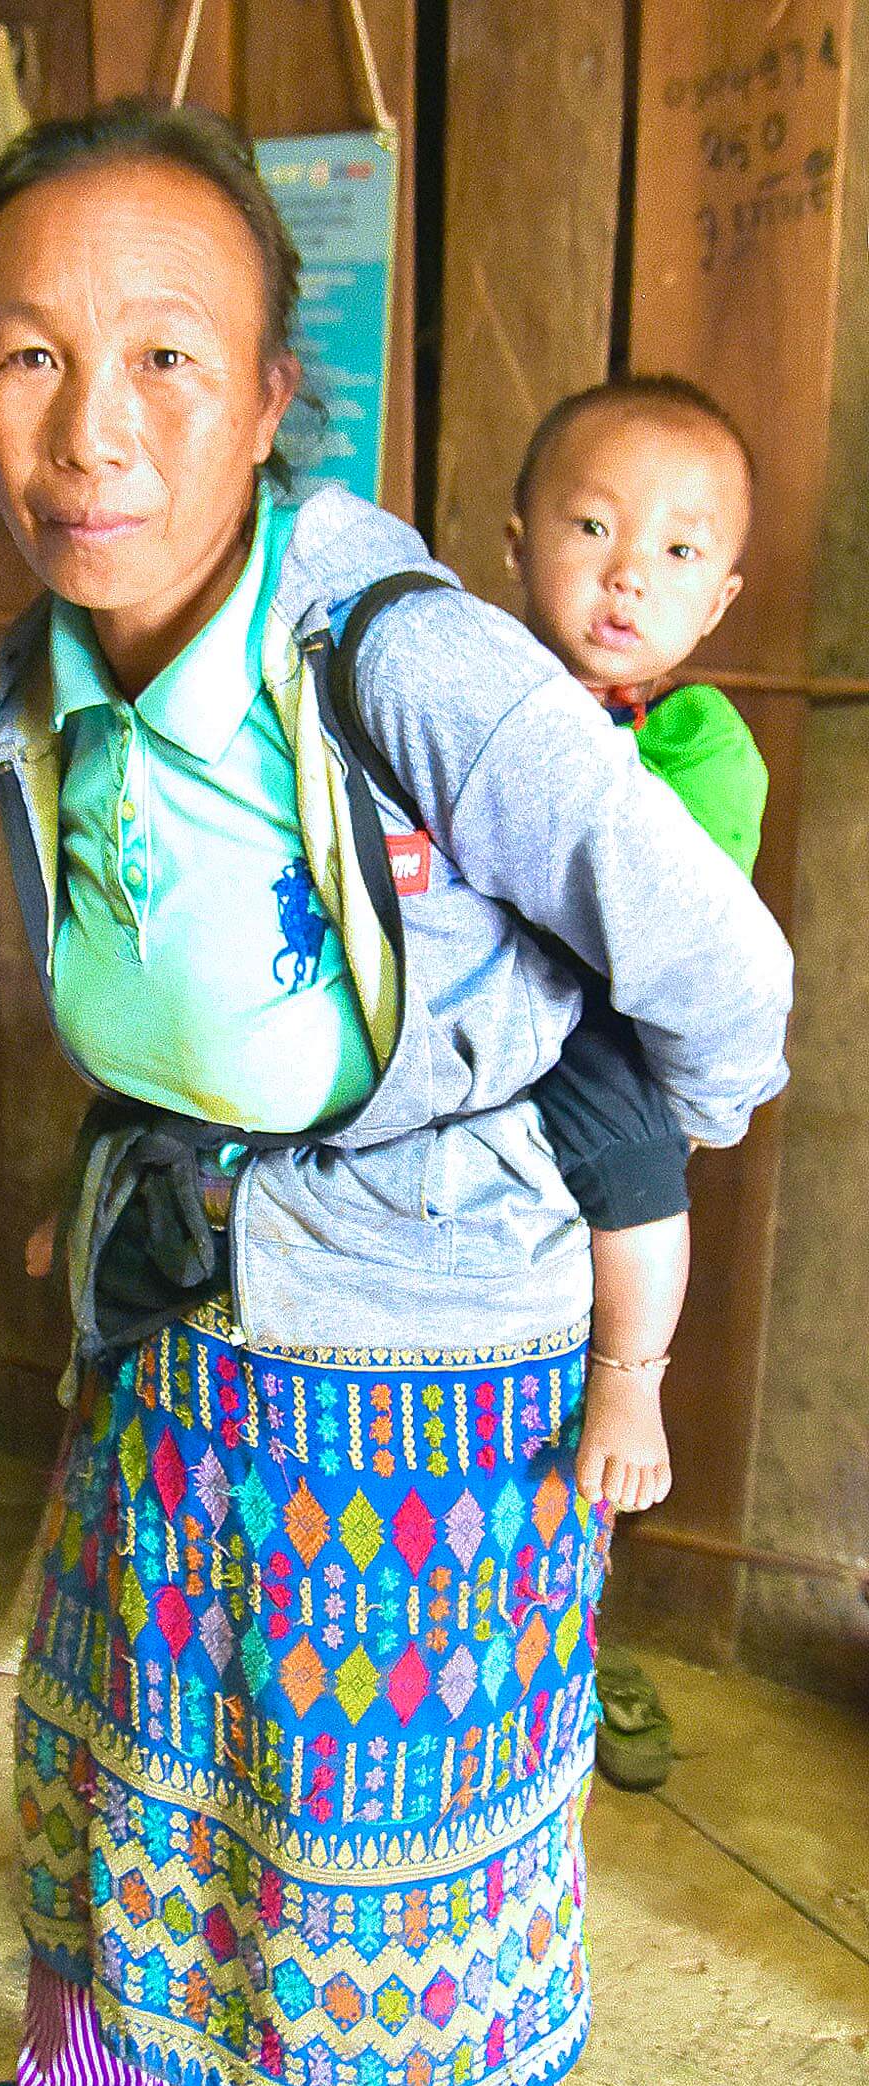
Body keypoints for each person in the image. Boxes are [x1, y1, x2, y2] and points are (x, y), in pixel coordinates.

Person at [0, 101, 791, 2086]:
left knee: (414, 1824)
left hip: (432, 1370)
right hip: (181, 1306)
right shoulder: (58, 666)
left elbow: (724, 981)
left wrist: (574, 1165)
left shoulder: (414, 657)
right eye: (26, 355)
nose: (90, 429)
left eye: (167, 355)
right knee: (111, 1744)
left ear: (280, 393)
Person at [506, 375, 768, 1530]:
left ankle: (629, 1379)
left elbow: (674, 923)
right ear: (519, 544)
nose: (628, 573)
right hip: (438, 983)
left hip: (582, 1015)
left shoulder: (695, 741)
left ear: (716, 603)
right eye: (594, 527)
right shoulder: (461, 685)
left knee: (635, 1164)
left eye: (676, 549)